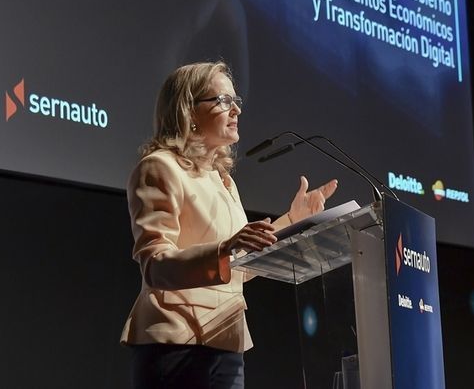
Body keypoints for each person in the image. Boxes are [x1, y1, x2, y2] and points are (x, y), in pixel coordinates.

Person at [121, 61, 338, 389]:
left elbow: (239, 263)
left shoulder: (223, 179)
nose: (236, 109)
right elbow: (155, 265)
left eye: (235, 100)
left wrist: (293, 219)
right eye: (223, 101)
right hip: (176, 341)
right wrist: (225, 248)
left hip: (226, 337)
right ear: (189, 111)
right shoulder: (159, 168)